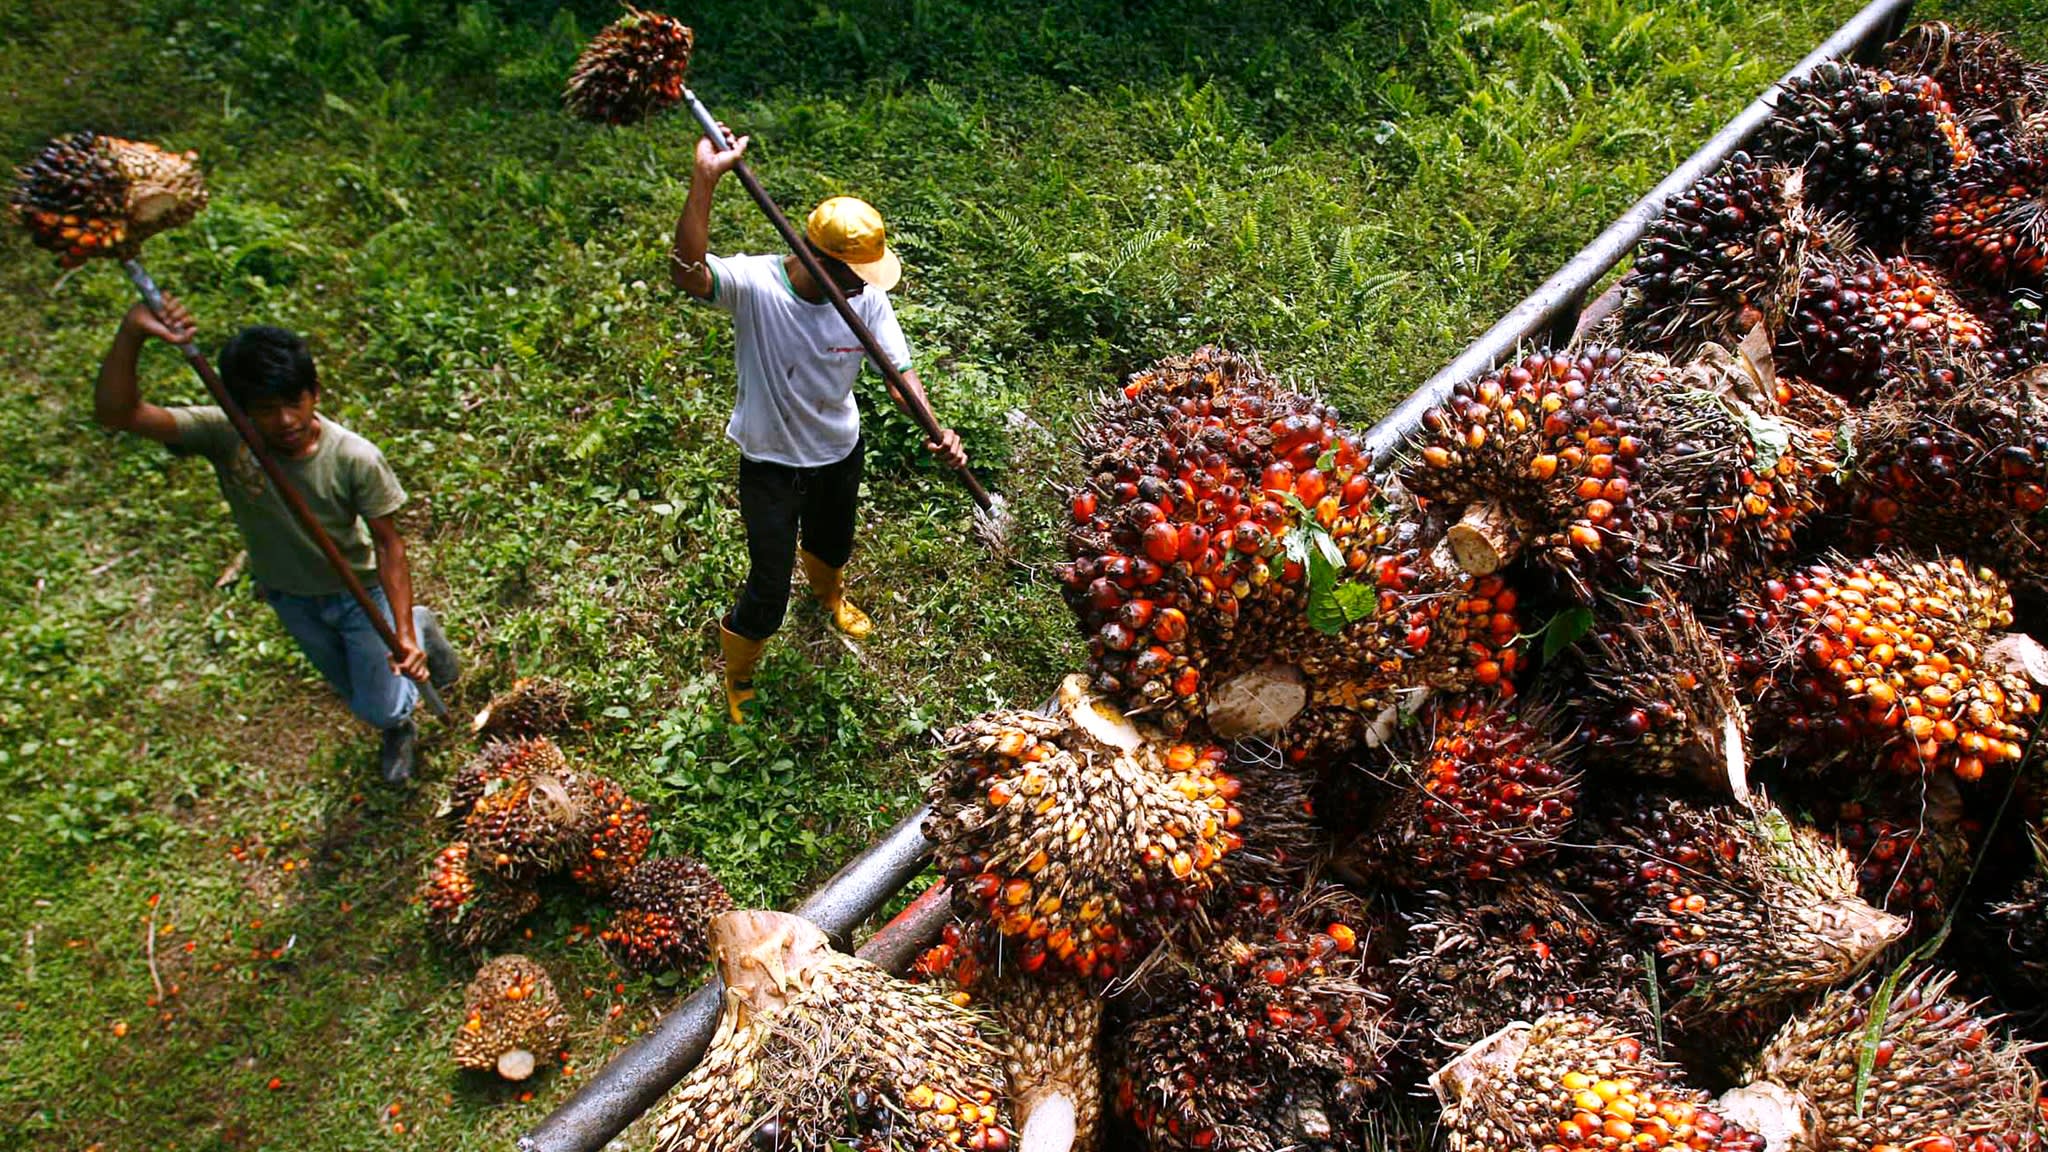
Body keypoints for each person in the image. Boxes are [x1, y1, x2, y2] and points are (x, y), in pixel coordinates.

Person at [671, 123, 969, 725]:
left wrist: (940, 431)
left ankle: (830, 596)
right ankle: (740, 669)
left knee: (833, 543)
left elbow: (897, 374)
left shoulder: (866, 299)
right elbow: (686, 273)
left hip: (838, 451)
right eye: (856, 275)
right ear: (818, 261)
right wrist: (705, 180)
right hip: (771, 464)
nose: (866, 287)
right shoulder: (756, 286)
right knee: (768, 583)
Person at [93, 296, 458, 783]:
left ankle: (411, 648)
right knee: (351, 688)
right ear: (239, 409)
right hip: (291, 596)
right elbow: (119, 413)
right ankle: (396, 700)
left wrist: (405, 639)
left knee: (378, 705)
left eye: (294, 402)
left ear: (315, 392)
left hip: (357, 592)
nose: (285, 421)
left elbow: (390, 544)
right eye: (265, 410)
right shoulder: (226, 435)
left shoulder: (354, 457)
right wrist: (132, 331)